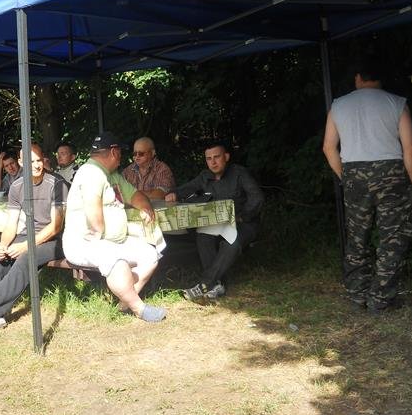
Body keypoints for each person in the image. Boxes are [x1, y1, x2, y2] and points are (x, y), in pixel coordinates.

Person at [322, 60, 412, 313]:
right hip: (391, 173)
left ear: (358, 77)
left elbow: (328, 147)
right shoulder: (397, 103)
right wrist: (411, 182)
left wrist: (345, 176)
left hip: (354, 172)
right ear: (380, 78)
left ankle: (357, 295)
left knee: (357, 236)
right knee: (392, 237)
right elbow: (410, 149)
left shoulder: (339, 105)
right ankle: (381, 299)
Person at [0, 144, 68, 330]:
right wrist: (2, 245)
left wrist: (25, 246)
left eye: (39, 160)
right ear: (21, 162)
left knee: (25, 258)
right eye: (31, 161)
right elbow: (11, 223)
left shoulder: (57, 184)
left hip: (56, 240)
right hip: (27, 234)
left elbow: (56, 227)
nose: (36, 165)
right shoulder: (17, 186)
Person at [63, 132, 166, 323]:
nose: (123, 157)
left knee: (150, 254)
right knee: (117, 262)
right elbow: (93, 208)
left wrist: (145, 207)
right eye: (120, 152)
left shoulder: (112, 175)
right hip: (85, 242)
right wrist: (99, 231)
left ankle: (125, 301)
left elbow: (135, 195)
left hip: (113, 240)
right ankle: (139, 308)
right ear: (113, 152)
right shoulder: (90, 173)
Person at [166, 142, 264, 300]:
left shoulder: (239, 173)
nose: (213, 162)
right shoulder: (205, 176)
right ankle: (217, 285)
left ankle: (205, 284)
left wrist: (243, 216)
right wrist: (174, 194)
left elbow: (257, 197)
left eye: (217, 157)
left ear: (226, 157)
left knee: (231, 243)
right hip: (217, 223)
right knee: (203, 236)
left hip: (244, 223)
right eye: (209, 158)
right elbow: (186, 188)